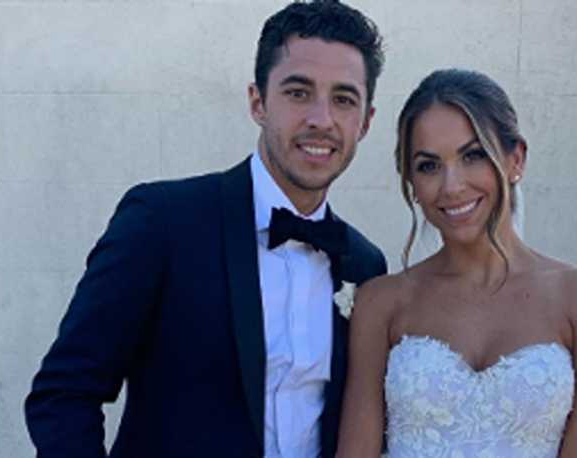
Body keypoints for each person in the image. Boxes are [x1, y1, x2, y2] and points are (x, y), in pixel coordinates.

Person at [24, 1, 386, 457]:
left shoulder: (365, 264)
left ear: (366, 121)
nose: (321, 118)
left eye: (343, 99)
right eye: (298, 92)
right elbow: (64, 393)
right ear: (258, 102)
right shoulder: (161, 222)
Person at [336, 69, 577, 458]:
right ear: (412, 183)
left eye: (473, 156)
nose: (452, 185)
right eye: (428, 165)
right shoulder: (381, 302)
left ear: (515, 159)